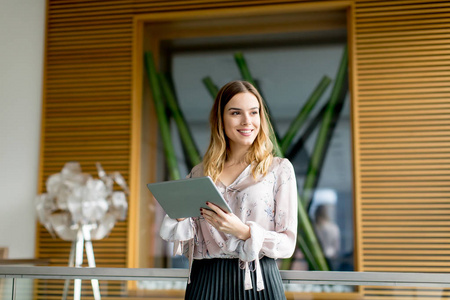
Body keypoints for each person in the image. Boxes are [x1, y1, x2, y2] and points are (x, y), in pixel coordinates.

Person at [160, 80, 298, 299]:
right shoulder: (199, 174)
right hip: (205, 280)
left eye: (254, 113)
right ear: (220, 120)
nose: (247, 121)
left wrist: (243, 232)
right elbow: (188, 244)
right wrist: (179, 215)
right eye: (236, 113)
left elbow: (288, 244)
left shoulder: (279, 169)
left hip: (258, 281)